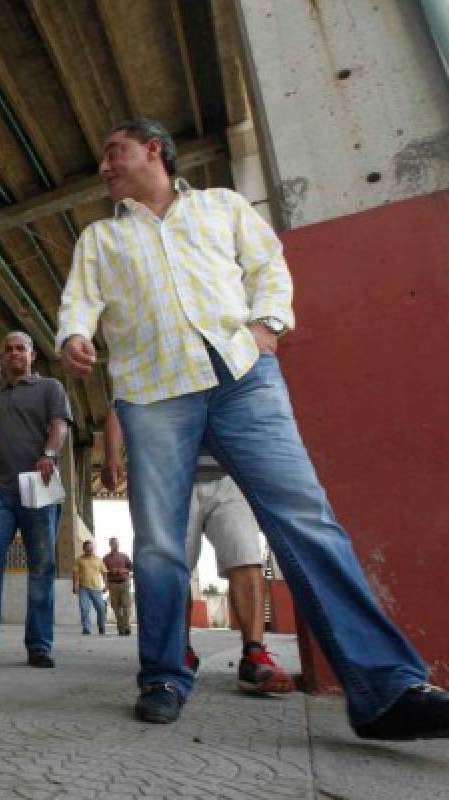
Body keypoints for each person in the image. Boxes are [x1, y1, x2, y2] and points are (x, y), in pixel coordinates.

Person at [57, 117, 448, 737]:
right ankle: (162, 673)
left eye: (113, 153)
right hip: (154, 393)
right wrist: (75, 334)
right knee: (159, 545)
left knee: (305, 518)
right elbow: (78, 299)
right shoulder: (100, 239)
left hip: (242, 379)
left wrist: (267, 327)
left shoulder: (222, 206)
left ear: (152, 150)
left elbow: (269, 265)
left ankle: (385, 690)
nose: (102, 166)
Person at [106, 413, 292, 693]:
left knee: (246, 559)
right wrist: (112, 455)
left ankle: (254, 655)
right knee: (173, 569)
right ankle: (180, 651)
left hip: (231, 476)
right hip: (171, 477)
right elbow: (119, 406)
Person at [0, 331, 70, 669]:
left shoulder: (50, 388)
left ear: (32, 354)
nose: (13, 354)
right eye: (7, 349)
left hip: (37, 486)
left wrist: (49, 454)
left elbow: (60, 426)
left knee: (41, 565)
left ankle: (39, 644)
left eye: (20, 348)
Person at [73, 539, 108, 635]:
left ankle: (101, 626)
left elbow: (104, 573)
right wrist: (75, 585)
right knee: (84, 608)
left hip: (97, 588)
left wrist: (106, 585)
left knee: (101, 608)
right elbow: (75, 573)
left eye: (91, 548)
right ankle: (86, 628)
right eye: (88, 549)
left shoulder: (98, 559)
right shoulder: (79, 560)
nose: (90, 550)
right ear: (84, 549)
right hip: (83, 587)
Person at [103, 536, 134, 636]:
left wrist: (123, 570)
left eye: (116, 543)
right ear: (110, 545)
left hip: (124, 583)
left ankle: (127, 627)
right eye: (113, 543)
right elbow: (104, 572)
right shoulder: (106, 558)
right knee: (116, 608)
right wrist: (106, 584)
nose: (115, 545)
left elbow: (131, 568)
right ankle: (120, 628)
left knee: (126, 606)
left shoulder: (124, 556)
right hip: (113, 585)